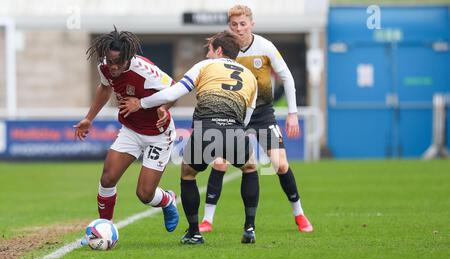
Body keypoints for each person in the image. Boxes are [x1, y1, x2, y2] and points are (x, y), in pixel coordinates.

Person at [119, 31, 259, 245]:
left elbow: (172, 93)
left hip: (206, 128)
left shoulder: (205, 66)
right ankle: (249, 228)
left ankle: (194, 232)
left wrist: (142, 103)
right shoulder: (250, 76)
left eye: (210, 50)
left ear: (219, 51)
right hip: (235, 129)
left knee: (188, 173)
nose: (208, 54)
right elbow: (247, 116)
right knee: (249, 168)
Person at [198, 4, 313, 233]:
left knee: (280, 164)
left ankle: (299, 214)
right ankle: (207, 220)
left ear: (252, 24)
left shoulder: (265, 47)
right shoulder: (226, 50)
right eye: (234, 25)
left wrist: (292, 114)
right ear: (228, 26)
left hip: (262, 114)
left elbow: (287, 77)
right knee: (220, 162)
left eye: (243, 24)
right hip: (235, 114)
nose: (239, 29)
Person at [74, 27, 179, 240]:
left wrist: (157, 107)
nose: (113, 67)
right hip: (131, 129)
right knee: (108, 177)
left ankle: (167, 200)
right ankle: (104, 229)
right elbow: (105, 88)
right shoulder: (105, 66)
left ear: (128, 58)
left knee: (145, 194)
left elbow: (175, 90)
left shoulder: (145, 71)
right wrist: (89, 118)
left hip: (158, 134)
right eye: (110, 61)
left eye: (118, 63)